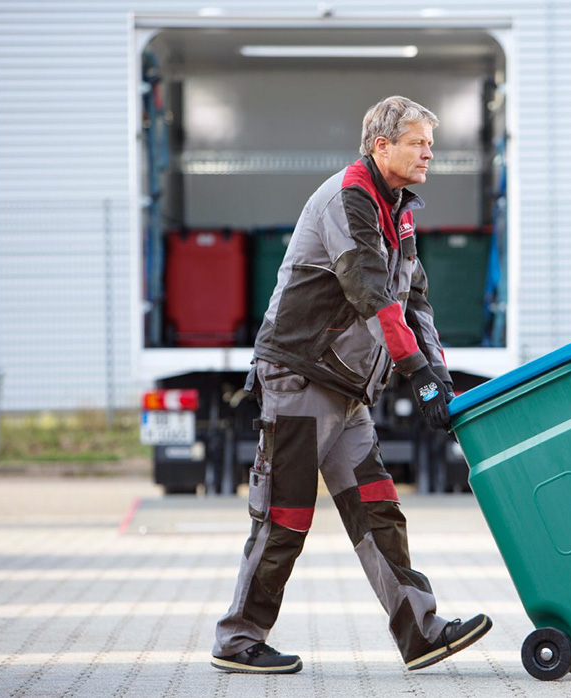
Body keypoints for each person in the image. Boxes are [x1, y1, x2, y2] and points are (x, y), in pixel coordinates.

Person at [211, 96, 492, 674]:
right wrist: (415, 374)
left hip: (345, 389)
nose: (428, 153)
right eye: (417, 142)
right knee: (285, 512)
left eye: (430, 143)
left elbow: (416, 300)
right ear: (380, 145)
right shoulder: (350, 196)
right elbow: (370, 291)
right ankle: (238, 640)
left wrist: (437, 374)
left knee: (378, 507)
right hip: (299, 375)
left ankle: (420, 631)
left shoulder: (401, 208)